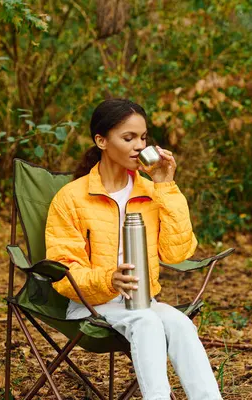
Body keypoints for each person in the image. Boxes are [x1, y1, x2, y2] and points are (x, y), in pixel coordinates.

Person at [45, 99, 222, 400]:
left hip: (142, 300)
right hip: (91, 303)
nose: (139, 146)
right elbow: (63, 267)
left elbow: (177, 253)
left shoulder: (151, 190)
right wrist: (107, 279)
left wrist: (166, 185)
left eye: (142, 137)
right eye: (128, 138)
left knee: (180, 324)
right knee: (148, 321)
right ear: (101, 140)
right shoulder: (72, 198)